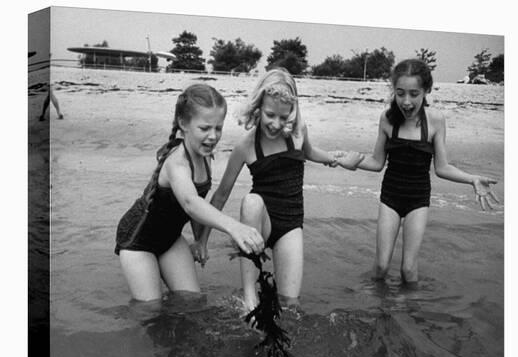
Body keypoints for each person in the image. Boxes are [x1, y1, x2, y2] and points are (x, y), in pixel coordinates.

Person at [195, 68, 363, 311]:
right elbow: (221, 195)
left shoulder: (297, 133)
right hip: (260, 221)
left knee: (290, 304)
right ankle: (249, 298)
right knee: (251, 201)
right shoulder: (246, 146)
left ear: (292, 113)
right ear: (258, 107)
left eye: (283, 118)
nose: (275, 124)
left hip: (290, 224)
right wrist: (202, 240)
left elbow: (310, 153)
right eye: (269, 115)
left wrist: (338, 159)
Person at [354, 59, 499, 287]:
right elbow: (376, 162)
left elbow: (442, 168)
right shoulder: (387, 118)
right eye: (400, 93)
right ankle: (378, 312)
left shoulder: (436, 120)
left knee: (408, 270)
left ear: (426, 91)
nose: (406, 101)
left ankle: (409, 315)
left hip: (418, 200)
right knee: (381, 266)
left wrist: (472, 179)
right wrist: (347, 160)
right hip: (390, 197)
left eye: (414, 94)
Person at [114, 84, 264, 302]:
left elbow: (198, 207)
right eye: (204, 128)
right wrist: (234, 227)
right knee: (151, 310)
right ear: (184, 124)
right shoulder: (177, 163)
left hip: (170, 238)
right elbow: (191, 203)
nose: (213, 136)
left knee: (192, 302)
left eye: (218, 128)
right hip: (138, 241)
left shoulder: (204, 156)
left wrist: (199, 240)